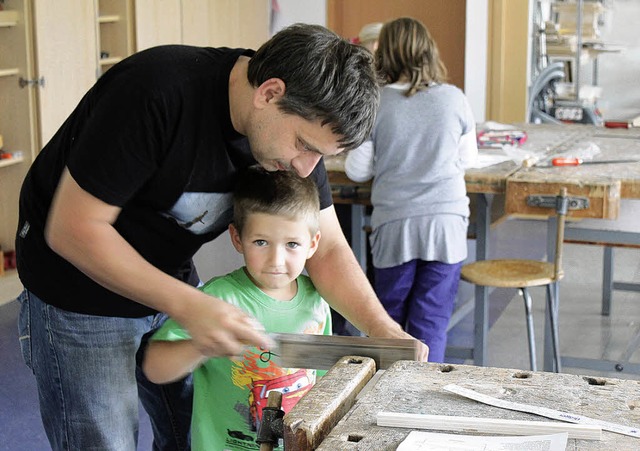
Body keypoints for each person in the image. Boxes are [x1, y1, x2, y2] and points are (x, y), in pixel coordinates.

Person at [15, 23, 428, 450]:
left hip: (167, 273)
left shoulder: (299, 122)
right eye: (305, 146)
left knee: (193, 430)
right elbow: (73, 230)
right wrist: (190, 304)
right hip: (77, 286)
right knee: (105, 440)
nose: (307, 169)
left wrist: (384, 332)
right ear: (269, 93)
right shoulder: (157, 92)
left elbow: (329, 248)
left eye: (321, 156)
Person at [143, 166, 331, 450]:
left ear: (312, 244)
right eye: (261, 242)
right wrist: (201, 346)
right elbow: (155, 369)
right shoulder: (216, 299)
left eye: (292, 244)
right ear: (237, 239)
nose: (276, 260)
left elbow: (326, 385)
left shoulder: (318, 300)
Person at [345, 17, 478, 363]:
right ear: (430, 52)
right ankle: (421, 403)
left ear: (382, 54)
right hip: (447, 224)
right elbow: (468, 159)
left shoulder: (375, 103)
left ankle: (381, 397)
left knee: (387, 319)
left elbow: (356, 170)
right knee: (431, 320)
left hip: (395, 225)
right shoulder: (454, 98)